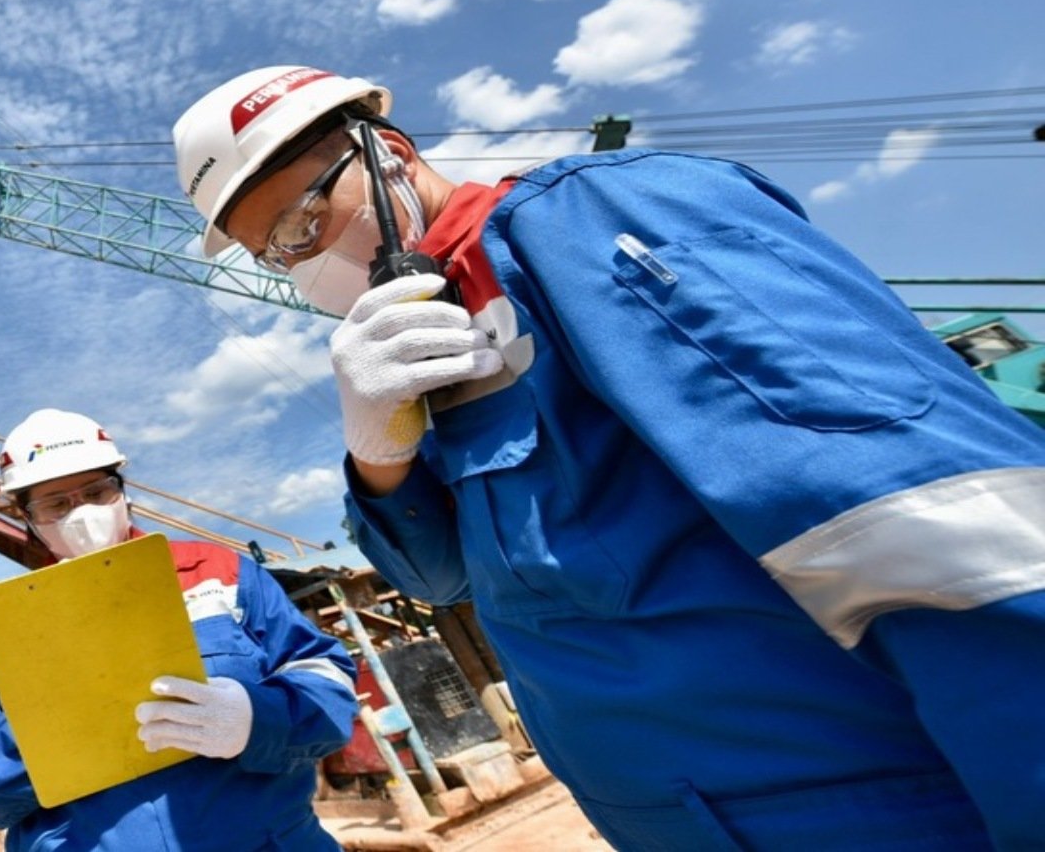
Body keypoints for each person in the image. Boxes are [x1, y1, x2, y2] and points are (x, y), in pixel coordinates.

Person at [171, 65, 1045, 850]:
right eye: (275, 255)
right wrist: (378, 455)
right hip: (681, 816)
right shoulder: (421, 344)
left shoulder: (593, 226)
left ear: (389, 154)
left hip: (848, 803)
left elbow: (920, 528)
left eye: (304, 222)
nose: (302, 264)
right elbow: (441, 580)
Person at [0, 408, 357, 851]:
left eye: (96, 491)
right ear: (29, 519)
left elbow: (329, 681)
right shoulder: (2, 632)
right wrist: (47, 737)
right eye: (57, 503)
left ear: (121, 492)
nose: (83, 513)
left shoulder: (219, 575)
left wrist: (254, 717)